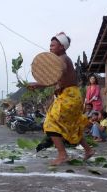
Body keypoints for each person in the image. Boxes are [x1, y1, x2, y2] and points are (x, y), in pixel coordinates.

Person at [28, 32, 94, 165]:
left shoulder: (63, 59)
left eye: (53, 45)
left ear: (62, 47)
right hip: (71, 96)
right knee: (72, 125)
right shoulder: (61, 60)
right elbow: (54, 80)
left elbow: (61, 70)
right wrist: (38, 84)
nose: (50, 47)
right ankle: (88, 150)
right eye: (50, 45)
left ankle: (62, 154)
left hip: (69, 97)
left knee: (50, 123)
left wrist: (38, 83)